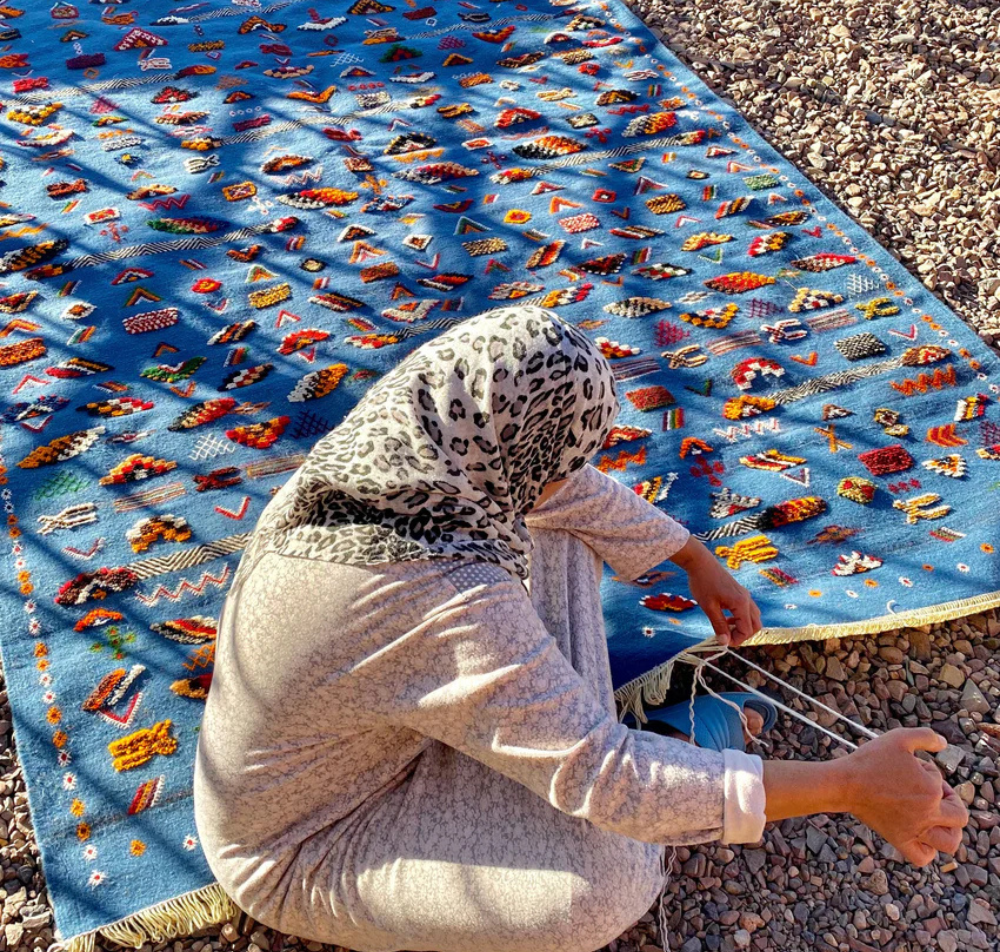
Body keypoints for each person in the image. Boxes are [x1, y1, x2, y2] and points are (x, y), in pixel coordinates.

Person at [193, 306, 967, 952]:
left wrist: (692, 556)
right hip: (311, 843)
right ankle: (681, 746)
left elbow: (561, 492)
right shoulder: (437, 595)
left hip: (380, 725)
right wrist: (848, 785)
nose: (569, 475)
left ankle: (614, 747)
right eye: (560, 459)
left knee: (553, 516)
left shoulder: (400, 449)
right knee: (598, 892)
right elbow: (608, 779)